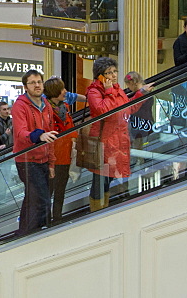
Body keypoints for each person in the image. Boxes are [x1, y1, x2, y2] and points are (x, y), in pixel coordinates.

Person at [85, 58, 152, 211]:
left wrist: (140, 93)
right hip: (103, 142)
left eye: (115, 71)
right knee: (100, 180)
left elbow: (127, 109)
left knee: (108, 179)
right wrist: (108, 93)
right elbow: (103, 112)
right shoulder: (95, 91)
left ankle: (105, 207)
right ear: (100, 76)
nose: (114, 75)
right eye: (109, 73)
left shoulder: (117, 88)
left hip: (117, 141)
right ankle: (96, 211)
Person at [11, 70, 58, 235]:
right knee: (42, 200)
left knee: (33, 199)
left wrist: (51, 163)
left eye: (39, 81)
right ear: (25, 86)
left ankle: (25, 232)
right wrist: (39, 136)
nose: (37, 85)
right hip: (27, 160)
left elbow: (51, 134)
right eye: (33, 82)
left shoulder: (46, 105)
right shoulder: (20, 106)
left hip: (43, 159)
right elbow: (20, 133)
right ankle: (41, 233)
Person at [43, 77, 77, 224]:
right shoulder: (45, 110)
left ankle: (57, 218)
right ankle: (45, 220)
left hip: (65, 154)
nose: (65, 92)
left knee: (61, 190)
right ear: (54, 92)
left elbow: (70, 127)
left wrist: (74, 137)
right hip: (51, 156)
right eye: (62, 89)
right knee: (48, 191)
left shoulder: (65, 107)